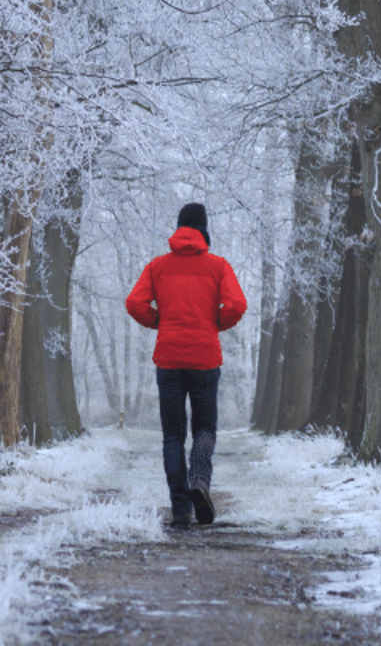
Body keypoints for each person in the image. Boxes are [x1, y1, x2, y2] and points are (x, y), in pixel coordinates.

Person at [126, 203, 247, 528]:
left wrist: (159, 322)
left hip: (169, 358)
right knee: (205, 428)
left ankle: (180, 508)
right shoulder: (218, 266)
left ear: (179, 228)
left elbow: (134, 302)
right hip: (205, 358)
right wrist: (215, 324)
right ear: (204, 230)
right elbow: (237, 304)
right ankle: (200, 481)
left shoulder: (158, 267)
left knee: (172, 435)